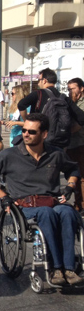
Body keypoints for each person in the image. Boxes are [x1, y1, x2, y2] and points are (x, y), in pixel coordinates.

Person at [0, 113, 83, 286]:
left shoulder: (55, 154)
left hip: (51, 201)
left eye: (31, 132)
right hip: (24, 205)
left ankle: (69, 268)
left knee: (67, 212)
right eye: (24, 130)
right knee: (46, 214)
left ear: (44, 134)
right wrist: (4, 197)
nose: (26, 134)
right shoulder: (10, 155)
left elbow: (73, 169)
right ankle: (55, 268)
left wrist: (70, 187)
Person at [17, 68, 84, 147]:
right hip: (60, 141)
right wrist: (68, 131)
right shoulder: (64, 98)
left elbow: (21, 105)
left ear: (44, 80)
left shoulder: (38, 94)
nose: (38, 83)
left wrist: (26, 121)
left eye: (39, 80)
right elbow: (82, 118)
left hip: (41, 140)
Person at [66, 77, 84, 212]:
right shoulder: (70, 102)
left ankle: (81, 204)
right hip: (71, 144)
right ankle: (78, 202)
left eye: (73, 88)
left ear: (81, 88)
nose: (70, 91)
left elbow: (77, 125)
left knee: (81, 176)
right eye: (69, 89)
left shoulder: (81, 104)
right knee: (74, 175)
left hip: (81, 142)